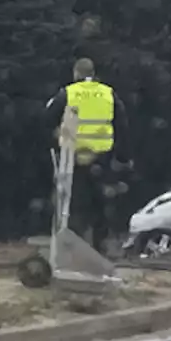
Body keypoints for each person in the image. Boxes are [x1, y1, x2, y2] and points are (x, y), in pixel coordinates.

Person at [45, 57, 130, 254]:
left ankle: (73, 248)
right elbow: (122, 125)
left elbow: (47, 119)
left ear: (76, 73)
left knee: (74, 203)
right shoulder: (108, 94)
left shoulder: (68, 93)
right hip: (102, 158)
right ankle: (101, 248)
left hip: (73, 158)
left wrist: (56, 138)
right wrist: (121, 156)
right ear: (93, 74)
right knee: (101, 202)